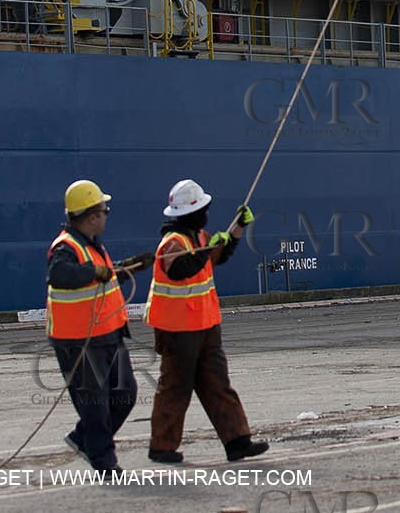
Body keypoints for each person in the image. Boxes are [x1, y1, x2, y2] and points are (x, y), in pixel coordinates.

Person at [145, 179, 269, 464]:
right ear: (191, 212)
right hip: (178, 330)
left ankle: (238, 441)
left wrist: (236, 229)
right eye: (203, 208)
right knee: (175, 387)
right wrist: (206, 250)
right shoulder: (173, 243)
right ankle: (162, 447)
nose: (206, 213)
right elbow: (180, 270)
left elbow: (218, 256)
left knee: (217, 384)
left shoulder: (198, 237)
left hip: (205, 326)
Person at [46, 179, 143, 480]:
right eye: (105, 210)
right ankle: (105, 462)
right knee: (94, 405)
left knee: (125, 395)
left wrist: (127, 268)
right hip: (77, 341)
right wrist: (96, 271)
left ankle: (82, 439)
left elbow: (102, 279)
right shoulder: (66, 247)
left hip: (108, 335)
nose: (106, 215)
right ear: (91, 216)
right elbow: (60, 275)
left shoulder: (91, 246)